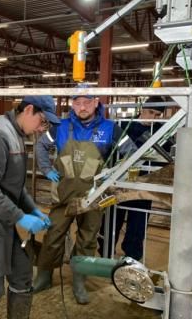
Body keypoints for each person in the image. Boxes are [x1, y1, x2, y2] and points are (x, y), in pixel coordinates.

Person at [33, 91, 137, 305]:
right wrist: (45, 168)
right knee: (54, 234)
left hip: (93, 195)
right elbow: (41, 145)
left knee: (87, 239)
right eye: (77, 102)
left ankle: (79, 281)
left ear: (96, 103)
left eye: (87, 102)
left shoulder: (110, 128)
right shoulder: (60, 126)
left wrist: (116, 174)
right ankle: (44, 276)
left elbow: (132, 152)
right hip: (64, 194)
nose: (82, 107)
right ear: (72, 104)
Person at [0, 96, 59, 319]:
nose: (41, 128)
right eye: (42, 121)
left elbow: (14, 184)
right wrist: (21, 217)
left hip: (7, 220)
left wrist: (32, 209)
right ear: (28, 110)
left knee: (22, 276)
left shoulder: (17, 134)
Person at [98, 96, 171, 260]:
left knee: (138, 224)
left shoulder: (161, 131)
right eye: (151, 112)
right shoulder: (123, 125)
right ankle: (105, 253)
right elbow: (108, 151)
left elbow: (166, 157)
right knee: (111, 219)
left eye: (157, 115)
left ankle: (132, 257)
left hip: (143, 186)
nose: (152, 118)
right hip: (119, 183)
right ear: (142, 109)